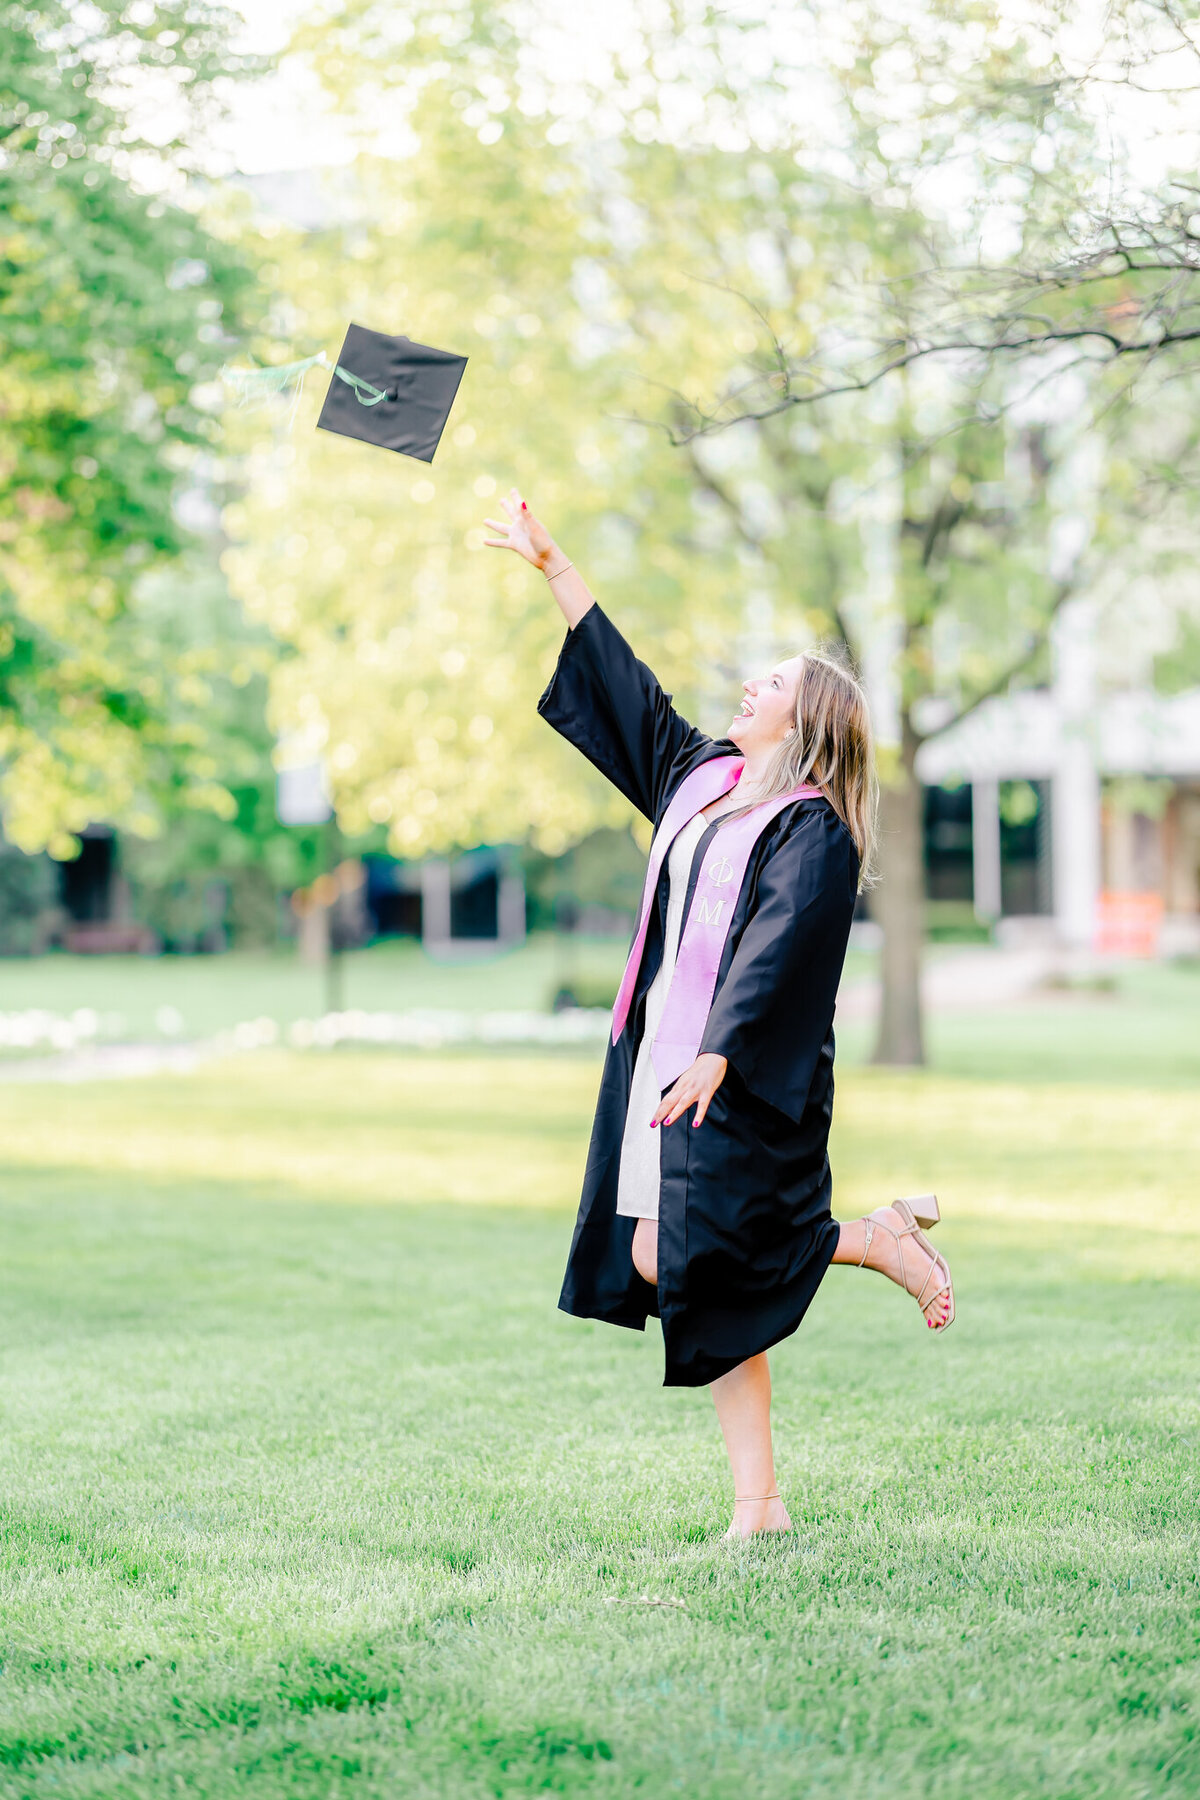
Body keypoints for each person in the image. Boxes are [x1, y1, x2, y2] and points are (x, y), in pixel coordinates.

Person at [485, 489, 954, 1539]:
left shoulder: (814, 830)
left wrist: (721, 1052)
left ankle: (870, 1247)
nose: (752, 685)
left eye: (775, 681)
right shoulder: (705, 781)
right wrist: (555, 567)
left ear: (812, 718)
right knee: (672, 1261)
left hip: (738, 1079)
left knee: (693, 1260)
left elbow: (781, 949)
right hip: (664, 1063)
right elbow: (628, 692)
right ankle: (767, 1499)